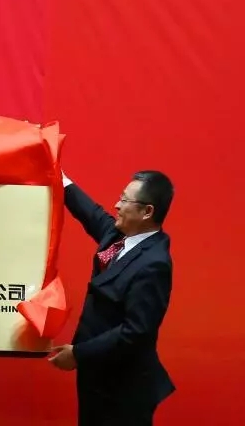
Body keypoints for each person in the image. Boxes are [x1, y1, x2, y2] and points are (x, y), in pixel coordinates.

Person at [48, 170, 176, 426]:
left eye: (125, 200)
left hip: (123, 390)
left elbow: (135, 332)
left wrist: (79, 354)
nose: (116, 205)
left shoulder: (154, 264)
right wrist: (59, 178)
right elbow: (91, 213)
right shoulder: (119, 237)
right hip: (98, 378)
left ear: (147, 212)